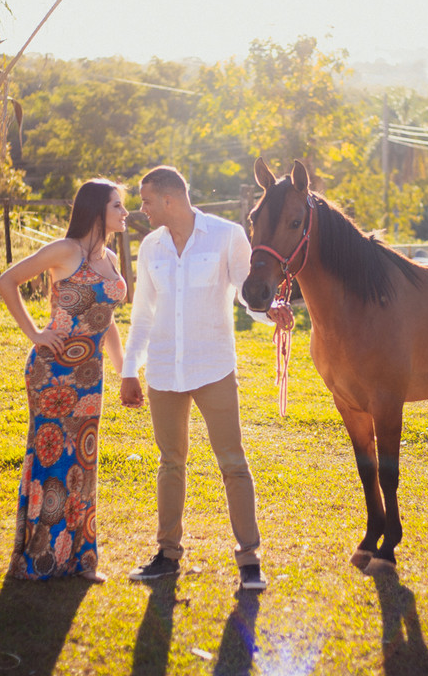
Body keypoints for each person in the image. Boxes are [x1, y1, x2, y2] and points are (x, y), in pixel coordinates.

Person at [120, 166, 279, 592]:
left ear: (169, 200)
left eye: (147, 201)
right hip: (164, 369)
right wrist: (129, 369)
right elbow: (143, 314)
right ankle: (167, 555)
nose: (143, 209)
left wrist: (271, 313)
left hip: (213, 368)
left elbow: (250, 294)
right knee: (170, 462)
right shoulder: (150, 246)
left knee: (232, 462)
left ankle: (249, 561)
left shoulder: (227, 236)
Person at [0, 179, 130, 582]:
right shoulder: (65, 251)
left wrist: (125, 371)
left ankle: (80, 559)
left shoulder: (109, 258)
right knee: (54, 458)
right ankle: (40, 559)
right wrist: (35, 333)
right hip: (52, 372)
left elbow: (105, 322)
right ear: (96, 210)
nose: (125, 213)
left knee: (84, 462)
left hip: (91, 376)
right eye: (118, 206)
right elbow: (7, 281)